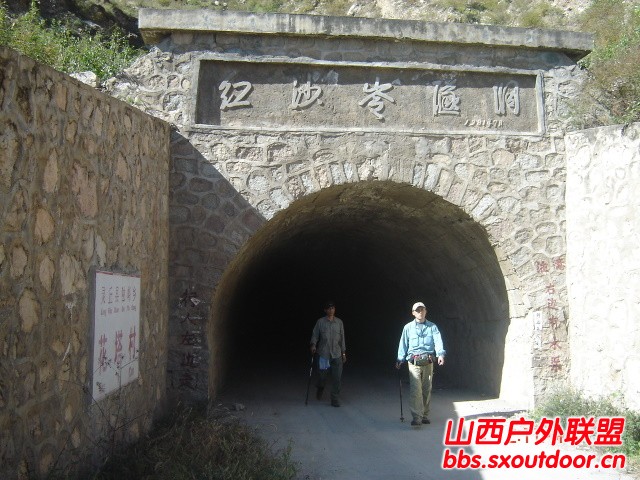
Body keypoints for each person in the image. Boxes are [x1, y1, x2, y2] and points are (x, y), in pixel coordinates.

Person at [396, 301, 445, 426]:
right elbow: (403, 344)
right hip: (414, 362)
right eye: (417, 310)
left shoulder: (432, 327)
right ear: (413, 313)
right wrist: (400, 359)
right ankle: (417, 417)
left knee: (426, 389)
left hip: (428, 361)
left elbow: (438, 340)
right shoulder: (408, 328)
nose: (420, 312)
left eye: (422, 309)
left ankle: (424, 415)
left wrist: (440, 354)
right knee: (416, 389)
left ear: (426, 311)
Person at [310, 300, 346, 407]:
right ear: (325, 310)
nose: (331, 310)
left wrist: (343, 353)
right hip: (324, 354)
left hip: (337, 354)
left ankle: (334, 399)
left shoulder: (339, 322)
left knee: (337, 378)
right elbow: (315, 335)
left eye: (333, 308)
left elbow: (342, 339)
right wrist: (313, 345)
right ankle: (320, 387)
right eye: (329, 308)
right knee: (322, 377)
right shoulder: (320, 322)